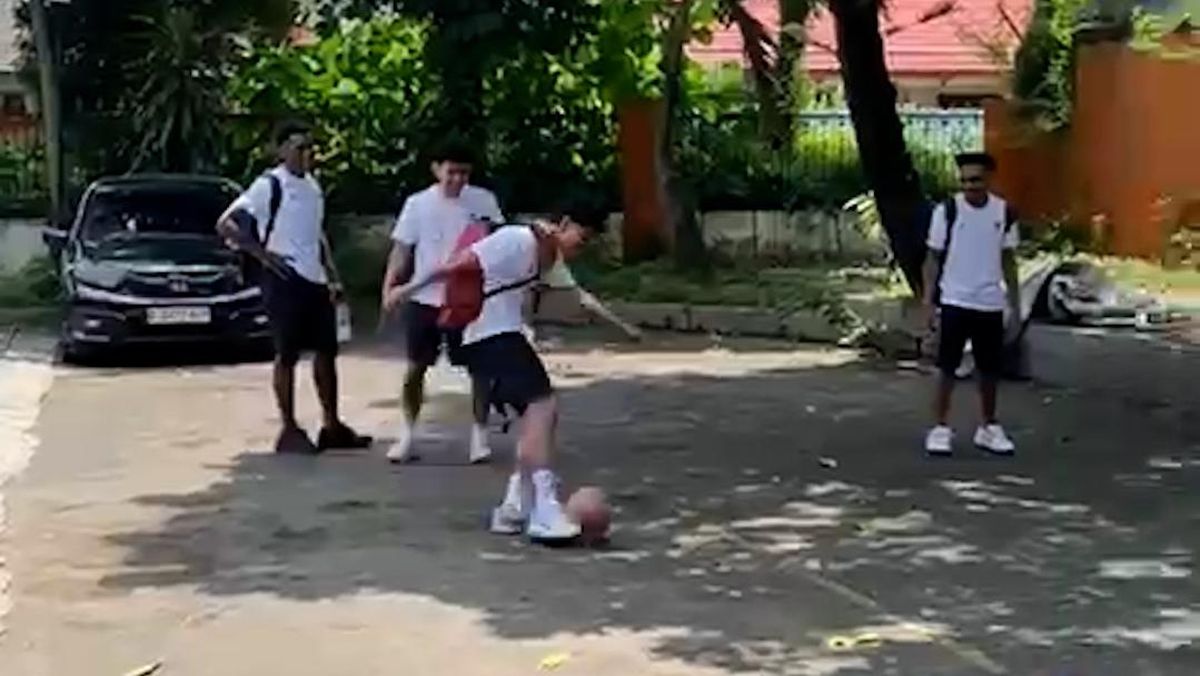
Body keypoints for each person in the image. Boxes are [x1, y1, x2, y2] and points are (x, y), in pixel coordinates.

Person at [382, 206, 605, 542]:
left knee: (538, 419)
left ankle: (515, 505)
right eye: (581, 238)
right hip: (487, 335)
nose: (579, 248)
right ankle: (543, 509)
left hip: (503, 334)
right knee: (543, 408)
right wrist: (406, 289)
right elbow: (456, 264)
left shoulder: (546, 254)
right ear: (564, 223)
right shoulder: (517, 240)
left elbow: (567, 299)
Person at [217, 121, 371, 455]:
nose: (307, 154)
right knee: (287, 354)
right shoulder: (269, 184)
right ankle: (289, 427)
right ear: (282, 150)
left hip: (314, 278)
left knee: (326, 353)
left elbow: (317, 235)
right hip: (285, 279)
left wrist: (332, 276)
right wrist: (263, 255)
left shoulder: (313, 187)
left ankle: (332, 424)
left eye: (310, 147)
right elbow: (225, 224)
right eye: (299, 147)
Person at [381, 144, 504, 465]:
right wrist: (390, 286)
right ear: (437, 170)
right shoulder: (417, 204)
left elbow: (497, 244)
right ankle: (408, 433)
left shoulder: (484, 202)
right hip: (425, 298)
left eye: (464, 173)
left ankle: (479, 435)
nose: (457, 179)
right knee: (415, 367)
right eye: (451, 172)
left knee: (479, 367)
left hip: (468, 298)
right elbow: (401, 250)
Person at [922, 152, 1021, 456]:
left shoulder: (1004, 213)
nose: (969, 187)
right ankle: (940, 427)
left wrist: (1014, 304)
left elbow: (1009, 260)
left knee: (989, 370)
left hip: (989, 302)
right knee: (946, 368)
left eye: (976, 180)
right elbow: (933, 258)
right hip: (954, 299)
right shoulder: (947, 211)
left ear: (989, 179)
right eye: (964, 181)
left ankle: (989, 427)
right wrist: (928, 301)